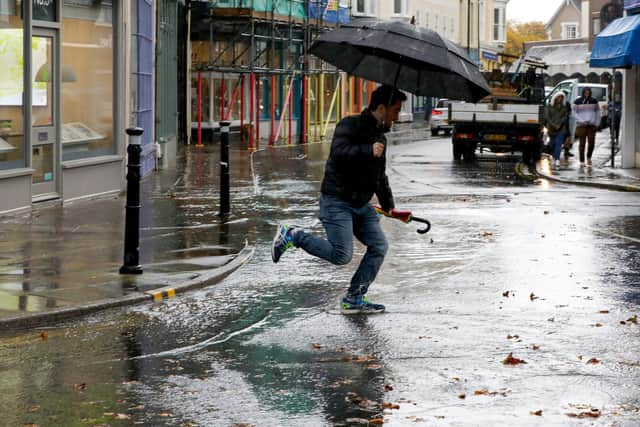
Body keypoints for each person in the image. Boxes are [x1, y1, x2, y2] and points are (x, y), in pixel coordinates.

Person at [271, 85, 407, 314]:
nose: (397, 116)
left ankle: (354, 298)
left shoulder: (380, 138)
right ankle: (293, 235)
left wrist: (389, 207)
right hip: (337, 201)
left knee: (379, 246)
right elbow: (339, 152)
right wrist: (367, 150)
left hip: (361, 205)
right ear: (381, 108)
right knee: (341, 255)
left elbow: (379, 177)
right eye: (395, 111)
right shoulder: (349, 124)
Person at [572, 87, 601, 168]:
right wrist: (581, 120)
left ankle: (589, 157)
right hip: (581, 125)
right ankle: (582, 161)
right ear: (583, 92)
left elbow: (598, 112)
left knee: (591, 143)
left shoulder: (594, 101)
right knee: (582, 144)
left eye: (588, 92)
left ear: (590, 92)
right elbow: (573, 113)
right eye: (585, 92)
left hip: (591, 125)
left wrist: (597, 123)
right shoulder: (577, 101)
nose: (587, 93)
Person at [545, 91, 569, 168]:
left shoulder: (564, 106)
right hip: (551, 128)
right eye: (558, 97)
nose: (560, 99)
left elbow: (565, 116)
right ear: (555, 97)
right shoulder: (550, 106)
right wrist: (553, 125)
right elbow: (547, 117)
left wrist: (560, 124)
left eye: (561, 97)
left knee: (558, 143)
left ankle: (557, 159)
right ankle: (554, 156)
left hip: (561, 128)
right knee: (552, 144)